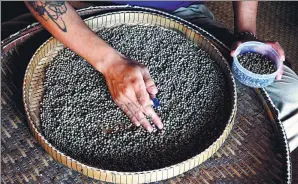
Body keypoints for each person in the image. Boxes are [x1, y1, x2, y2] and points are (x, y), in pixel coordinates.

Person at [23, 1, 298, 152]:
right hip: (86, 13)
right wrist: (109, 63)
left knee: (291, 98)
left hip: (185, 14)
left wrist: (246, 35)